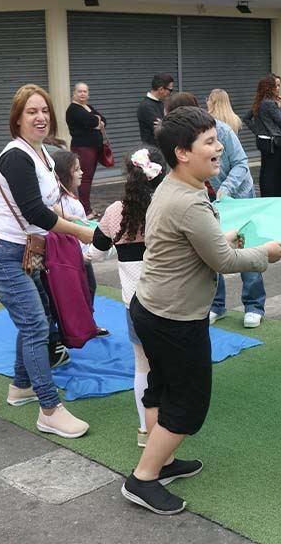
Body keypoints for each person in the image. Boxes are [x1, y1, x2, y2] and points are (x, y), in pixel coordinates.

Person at [121, 106, 281, 515]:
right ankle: (143, 479)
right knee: (189, 403)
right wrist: (265, 254)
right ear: (182, 152)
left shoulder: (176, 188)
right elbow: (225, 262)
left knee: (162, 386)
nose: (220, 148)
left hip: (153, 308)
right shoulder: (189, 201)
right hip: (174, 318)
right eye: (210, 142)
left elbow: (195, 241)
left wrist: (222, 234)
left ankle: (160, 463)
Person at [0, 84, 99, 439]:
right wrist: (80, 233)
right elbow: (35, 212)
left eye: (44, 110)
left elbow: (48, 204)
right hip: (2, 255)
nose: (41, 117)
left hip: (26, 252)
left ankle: (20, 387)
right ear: (17, 119)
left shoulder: (42, 153)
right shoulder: (17, 156)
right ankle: (49, 409)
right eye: (32, 112)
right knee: (35, 326)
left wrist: (79, 221)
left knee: (37, 319)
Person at [166, 91, 267, 328]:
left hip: (239, 196)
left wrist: (228, 188)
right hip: (206, 199)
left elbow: (242, 163)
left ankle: (253, 306)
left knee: (245, 245)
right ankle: (216, 305)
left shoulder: (221, 131)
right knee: (210, 248)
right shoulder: (181, 140)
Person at [96, 147, 167, 448]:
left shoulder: (114, 212)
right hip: (171, 299)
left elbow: (97, 252)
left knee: (143, 365)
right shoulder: (168, 208)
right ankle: (169, 425)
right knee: (171, 365)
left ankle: (144, 430)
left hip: (135, 304)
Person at [50, 148, 108, 339]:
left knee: (87, 288)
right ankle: (77, 326)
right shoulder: (64, 201)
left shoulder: (67, 201)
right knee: (78, 290)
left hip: (78, 254)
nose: (81, 172)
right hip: (72, 256)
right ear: (64, 174)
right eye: (76, 169)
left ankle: (86, 324)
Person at [65, 82, 107, 218]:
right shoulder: (73, 109)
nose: (83, 94)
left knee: (88, 178)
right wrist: (96, 121)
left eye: (85, 91)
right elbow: (94, 121)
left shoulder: (88, 107)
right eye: (80, 91)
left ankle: (87, 208)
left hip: (93, 148)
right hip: (83, 148)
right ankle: (85, 210)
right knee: (84, 179)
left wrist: (97, 121)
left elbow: (103, 120)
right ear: (74, 93)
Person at [245, 75, 281, 197]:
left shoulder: (259, 102)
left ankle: (267, 195)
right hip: (273, 143)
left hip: (263, 141)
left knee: (266, 169)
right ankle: (274, 195)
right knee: (275, 172)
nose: (278, 88)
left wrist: (258, 131)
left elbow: (247, 118)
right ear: (269, 88)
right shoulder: (269, 103)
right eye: (276, 86)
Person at [137, 73, 174, 147]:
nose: (170, 93)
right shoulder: (147, 106)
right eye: (170, 90)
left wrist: (165, 123)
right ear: (161, 89)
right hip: (154, 151)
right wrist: (167, 123)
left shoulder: (159, 102)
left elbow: (166, 125)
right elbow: (162, 130)